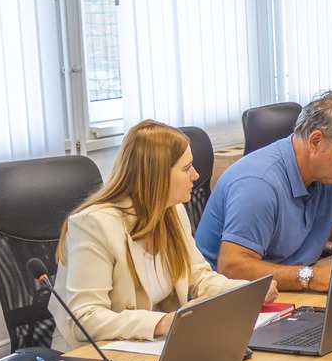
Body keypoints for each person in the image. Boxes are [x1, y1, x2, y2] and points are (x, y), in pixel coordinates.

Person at [53, 120, 251, 348]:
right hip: (94, 355)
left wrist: (245, 291)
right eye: (186, 168)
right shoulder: (94, 225)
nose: (196, 175)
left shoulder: (172, 211)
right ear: (157, 175)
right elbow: (85, 318)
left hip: (150, 347)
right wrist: (161, 323)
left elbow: (198, 277)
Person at [195, 91, 332, 294]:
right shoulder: (259, 184)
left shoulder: (325, 177)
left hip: (287, 293)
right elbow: (231, 268)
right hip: (234, 300)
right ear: (315, 141)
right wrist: (310, 277)